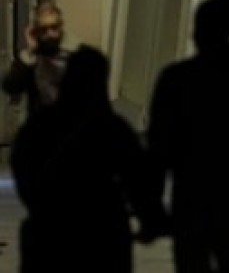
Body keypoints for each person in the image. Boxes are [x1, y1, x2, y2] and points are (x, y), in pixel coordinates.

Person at [147, 0, 229, 273]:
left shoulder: (176, 78)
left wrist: (152, 207)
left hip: (190, 197)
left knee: (192, 265)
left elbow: (158, 146)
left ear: (197, 33)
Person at [13, 46, 165, 273]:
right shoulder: (113, 129)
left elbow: (23, 171)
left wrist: (43, 205)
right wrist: (151, 220)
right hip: (104, 233)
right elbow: (139, 180)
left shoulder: (39, 126)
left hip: (49, 234)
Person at [4, 2, 72, 117]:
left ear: (60, 27)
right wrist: (30, 51)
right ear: (36, 32)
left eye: (54, 27)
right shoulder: (31, 62)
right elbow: (11, 87)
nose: (49, 33)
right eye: (44, 29)